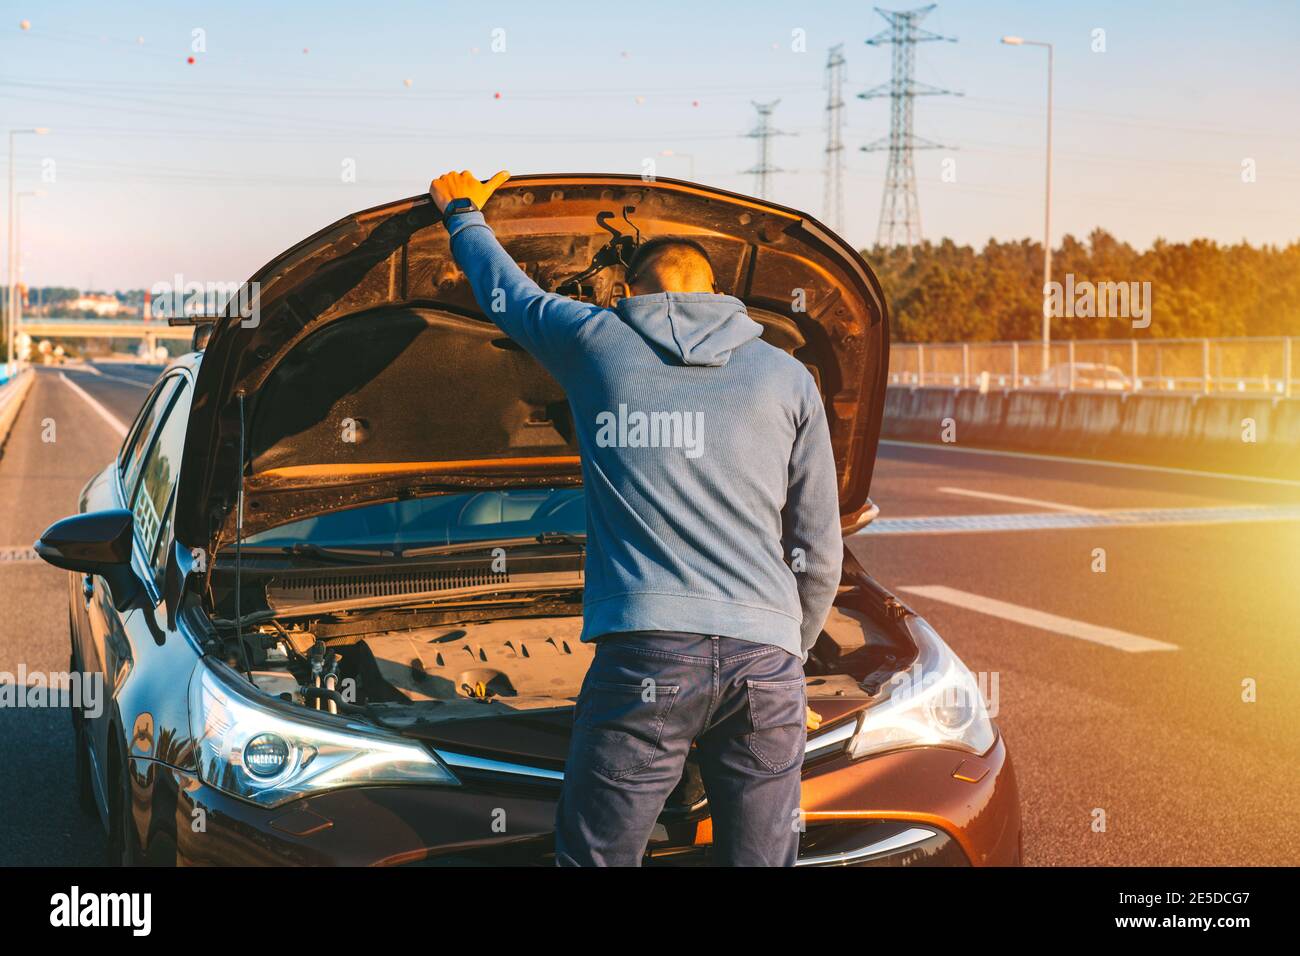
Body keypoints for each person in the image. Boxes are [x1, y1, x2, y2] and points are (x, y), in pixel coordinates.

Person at [428, 170, 842, 866]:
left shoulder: (596, 340)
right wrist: (788, 655)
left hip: (648, 657)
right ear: (718, 294)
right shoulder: (788, 376)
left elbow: (510, 297)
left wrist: (464, 213)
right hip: (767, 662)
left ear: (628, 292)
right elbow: (818, 549)